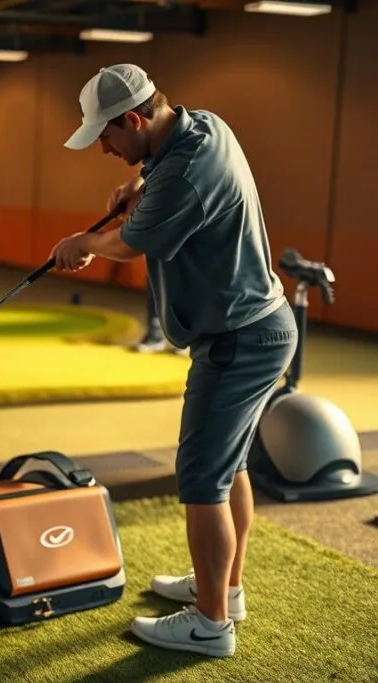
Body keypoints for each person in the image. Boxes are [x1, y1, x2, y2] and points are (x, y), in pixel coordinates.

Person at [50, 64, 297, 658]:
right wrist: (142, 183)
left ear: (134, 118)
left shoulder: (181, 173)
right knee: (229, 466)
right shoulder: (203, 128)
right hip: (257, 328)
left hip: (239, 340)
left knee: (201, 480)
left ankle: (211, 625)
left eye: (107, 136)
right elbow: (167, 173)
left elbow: (130, 244)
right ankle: (226, 589)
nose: (104, 148)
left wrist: (82, 243)